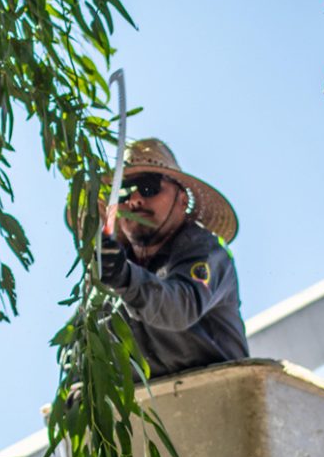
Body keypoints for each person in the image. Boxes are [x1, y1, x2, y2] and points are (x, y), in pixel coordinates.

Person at [96, 138, 248, 379]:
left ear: (182, 200)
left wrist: (124, 278)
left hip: (220, 400)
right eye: (124, 190)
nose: (135, 200)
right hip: (155, 409)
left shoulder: (208, 251)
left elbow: (180, 307)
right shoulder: (109, 270)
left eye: (149, 187)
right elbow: (87, 341)